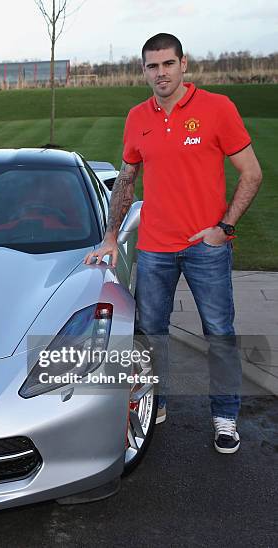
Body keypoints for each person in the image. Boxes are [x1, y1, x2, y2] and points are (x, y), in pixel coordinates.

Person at [84, 33, 262, 454]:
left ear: (184, 64)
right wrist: (112, 236)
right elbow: (126, 180)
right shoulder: (136, 117)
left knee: (219, 331)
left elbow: (251, 173)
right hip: (155, 248)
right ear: (143, 70)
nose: (160, 73)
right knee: (151, 332)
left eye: (167, 64)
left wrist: (226, 227)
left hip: (207, 248)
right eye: (152, 66)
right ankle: (156, 402)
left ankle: (224, 415)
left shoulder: (217, 109)